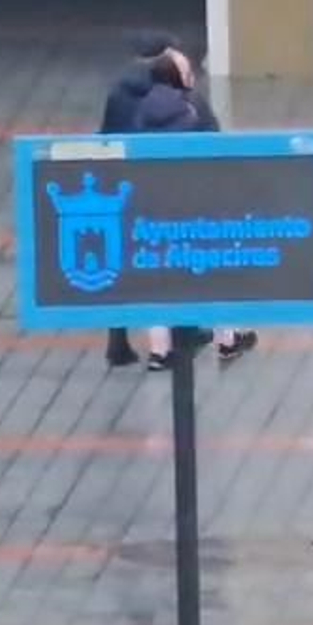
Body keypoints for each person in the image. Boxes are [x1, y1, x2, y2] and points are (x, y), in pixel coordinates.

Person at [131, 51, 258, 372]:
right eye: (187, 70)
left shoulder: (142, 110)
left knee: (157, 276)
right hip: (196, 200)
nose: (191, 75)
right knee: (211, 270)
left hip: (154, 202)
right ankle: (227, 338)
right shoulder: (194, 106)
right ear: (177, 77)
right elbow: (215, 148)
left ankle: (160, 352)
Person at [98, 31, 219, 368]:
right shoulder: (185, 102)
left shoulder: (120, 93)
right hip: (176, 192)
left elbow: (106, 136)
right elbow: (212, 141)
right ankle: (182, 331)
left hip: (127, 184)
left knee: (126, 264)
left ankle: (119, 340)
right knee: (176, 257)